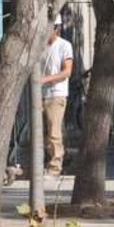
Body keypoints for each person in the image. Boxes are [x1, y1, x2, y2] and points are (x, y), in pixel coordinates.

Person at [40, 18, 73, 175]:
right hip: (39, 94)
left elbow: (67, 71)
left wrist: (45, 79)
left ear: (56, 28)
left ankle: (55, 166)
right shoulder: (39, 46)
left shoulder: (64, 46)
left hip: (56, 94)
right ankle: (43, 163)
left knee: (54, 132)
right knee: (40, 133)